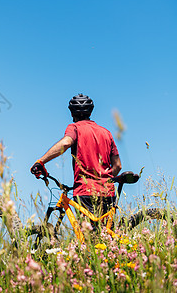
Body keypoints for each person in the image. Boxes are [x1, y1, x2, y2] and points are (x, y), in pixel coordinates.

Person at [30, 93, 122, 222]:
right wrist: (104, 180)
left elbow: (66, 142)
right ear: (90, 112)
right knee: (105, 234)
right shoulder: (106, 133)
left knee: (88, 236)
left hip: (85, 190)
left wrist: (41, 161)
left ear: (72, 114)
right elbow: (118, 165)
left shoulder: (74, 128)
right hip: (108, 191)